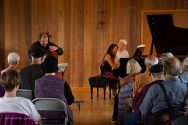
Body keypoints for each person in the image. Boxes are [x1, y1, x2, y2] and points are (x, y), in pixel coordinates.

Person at [140, 57, 187, 124]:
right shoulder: (186, 87)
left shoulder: (155, 88)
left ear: (164, 71)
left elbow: (144, 111)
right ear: (181, 70)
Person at [35, 56, 74, 123]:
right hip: (61, 118)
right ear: (56, 69)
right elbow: (71, 100)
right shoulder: (62, 82)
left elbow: (35, 99)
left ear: (43, 68)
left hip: (41, 117)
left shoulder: (37, 82)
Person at [117, 59, 142, 124]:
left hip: (133, 93)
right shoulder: (141, 76)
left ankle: (120, 119)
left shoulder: (132, 79)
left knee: (121, 94)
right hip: (137, 95)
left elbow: (123, 84)